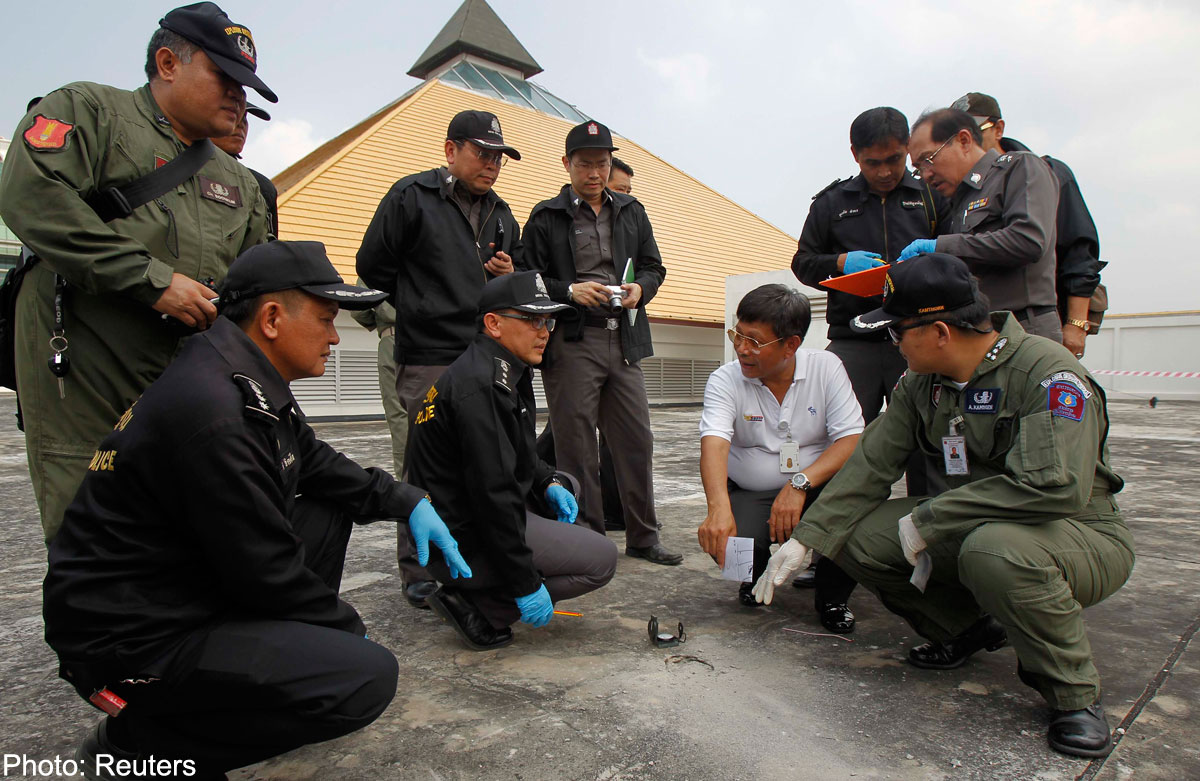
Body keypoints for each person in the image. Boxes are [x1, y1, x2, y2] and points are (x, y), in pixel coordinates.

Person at [43, 240, 473, 779]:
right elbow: (266, 569)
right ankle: (138, 747)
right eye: (326, 319)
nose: (336, 338)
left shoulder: (240, 374)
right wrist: (344, 632)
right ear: (271, 318)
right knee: (361, 678)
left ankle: (243, 686)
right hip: (130, 642)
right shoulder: (216, 411)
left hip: (174, 590)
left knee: (327, 508)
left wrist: (407, 500)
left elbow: (314, 462)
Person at [754, 253, 1133, 759]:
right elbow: (871, 464)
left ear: (939, 332)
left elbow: (1054, 487)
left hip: (1075, 532)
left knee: (993, 551)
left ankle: (1074, 694)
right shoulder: (923, 384)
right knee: (854, 535)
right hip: (975, 523)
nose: (892, 343)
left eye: (897, 332)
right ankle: (965, 628)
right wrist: (808, 539)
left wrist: (930, 518)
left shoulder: (1046, 373)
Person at [0, 1, 274, 541]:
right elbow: (32, 196)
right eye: (224, 77)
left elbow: (252, 283)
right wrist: (154, 281)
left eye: (244, 85)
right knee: (93, 533)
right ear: (168, 63)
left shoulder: (241, 182)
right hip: (88, 371)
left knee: (186, 533)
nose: (238, 96)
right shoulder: (89, 112)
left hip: (186, 380)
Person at [356, 109, 523, 607]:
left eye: (499, 157)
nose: (491, 164)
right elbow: (372, 265)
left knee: (483, 460)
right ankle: (418, 570)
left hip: (482, 353)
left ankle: (474, 562)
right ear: (451, 150)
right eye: (482, 152)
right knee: (423, 464)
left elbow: (517, 287)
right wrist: (419, 303)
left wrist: (508, 274)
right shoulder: (412, 196)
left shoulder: (503, 214)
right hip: (428, 351)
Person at [407, 271, 618, 651]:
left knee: (567, 483)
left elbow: (518, 453)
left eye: (548, 322)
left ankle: (490, 585)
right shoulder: (482, 386)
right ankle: (480, 605)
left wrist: (548, 482)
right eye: (533, 320)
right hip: (463, 535)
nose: (545, 332)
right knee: (601, 560)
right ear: (494, 324)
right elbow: (494, 495)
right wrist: (525, 583)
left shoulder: (501, 368)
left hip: (473, 511)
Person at [791, 106, 946, 587]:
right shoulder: (832, 203)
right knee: (839, 445)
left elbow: (957, 254)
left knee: (927, 445)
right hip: (853, 341)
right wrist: (840, 261)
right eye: (872, 162)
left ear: (907, 151)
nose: (884, 172)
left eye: (895, 160)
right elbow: (802, 262)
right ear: (855, 155)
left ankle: (931, 556)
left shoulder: (931, 195)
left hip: (917, 338)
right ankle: (826, 553)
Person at [523, 120, 681, 566]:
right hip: (573, 341)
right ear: (566, 163)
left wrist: (641, 290)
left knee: (636, 440)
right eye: (585, 164)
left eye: (602, 164)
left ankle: (643, 537)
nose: (594, 173)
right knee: (575, 447)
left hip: (624, 337)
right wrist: (569, 290)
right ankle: (589, 540)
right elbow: (528, 276)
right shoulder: (546, 216)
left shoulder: (632, 210)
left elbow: (654, 267)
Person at [696, 285, 863, 631]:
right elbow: (714, 443)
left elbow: (850, 438)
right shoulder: (725, 380)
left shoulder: (826, 368)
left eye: (755, 341)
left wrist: (799, 485)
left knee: (855, 518)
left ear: (791, 345)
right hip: (753, 491)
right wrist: (718, 509)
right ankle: (749, 577)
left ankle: (832, 598)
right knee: (730, 543)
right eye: (738, 335)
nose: (742, 349)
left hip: (817, 486)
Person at [952, 92, 1105, 359]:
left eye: (975, 132)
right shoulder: (960, 189)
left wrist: (1076, 323)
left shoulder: (1044, 171)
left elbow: (1079, 253)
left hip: (1039, 318)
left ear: (998, 129)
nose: (967, 143)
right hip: (984, 324)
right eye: (957, 138)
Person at [898, 109, 1062, 342]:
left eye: (928, 160)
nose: (926, 175)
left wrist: (942, 247)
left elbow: (1028, 241)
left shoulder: (1019, 168)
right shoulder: (957, 199)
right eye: (918, 168)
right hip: (978, 329)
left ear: (964, 140)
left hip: (1023, 326)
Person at [350, 287, 408, 476]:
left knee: (400, 414)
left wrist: (378, 318)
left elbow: (358, 307)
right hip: (436, 339)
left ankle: (409, 480)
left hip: (393, 336)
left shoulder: (381, 266)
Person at [212, 103, 279, 235]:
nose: (240, 124)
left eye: (244, 118)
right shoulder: (175, 163)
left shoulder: (261, 187)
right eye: (232, 115)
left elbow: (265, 244)